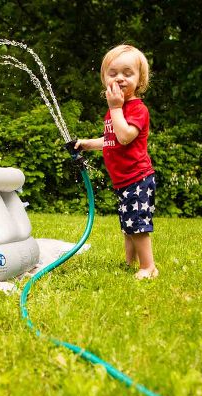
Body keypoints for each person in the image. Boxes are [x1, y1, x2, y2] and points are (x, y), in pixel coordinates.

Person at [73, 44, 158, 279]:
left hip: (138, 178)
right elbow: (112, 140)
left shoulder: (136, 109)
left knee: (138, 226)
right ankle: (130, 263)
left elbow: (125, 136)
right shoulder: (116, 111)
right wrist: (88, 143)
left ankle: (148, 266)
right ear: (104, 79)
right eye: (113, 73)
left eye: (127, 73)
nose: (119, 78)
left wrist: (116, 108)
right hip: (123, 181)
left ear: (139, 80)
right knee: (128, 227)